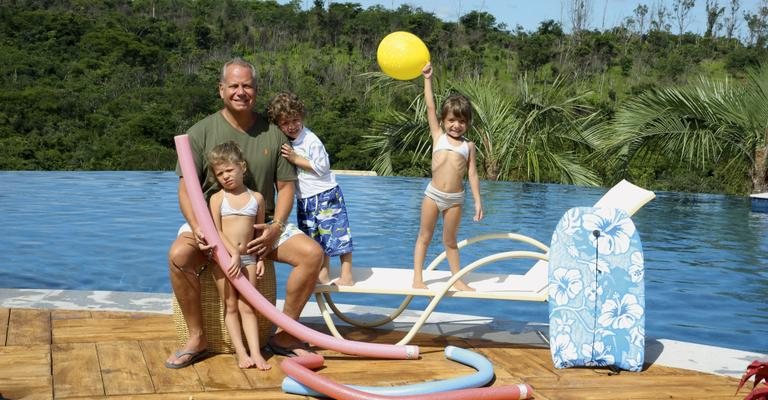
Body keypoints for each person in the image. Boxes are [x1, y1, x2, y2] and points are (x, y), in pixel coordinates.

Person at [165, 58, 324, 369]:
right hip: (212, 224)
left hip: (263, 225)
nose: (241, 91)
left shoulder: (273, 133)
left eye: (247, 85)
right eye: (234, 85)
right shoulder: (200, 132)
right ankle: (197, 338)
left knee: (312, 255)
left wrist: (276, 227)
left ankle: (285, 335)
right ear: (221, 89)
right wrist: (199, 227)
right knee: (178, 256)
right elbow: (186, 189)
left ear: (256, 90)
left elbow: (286, 186)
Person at [268, 91, 355, 286]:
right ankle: (322, 274)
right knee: (315, 238)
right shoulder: (288, 141)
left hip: (325, 195)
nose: (291, 126)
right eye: (285, 123)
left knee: (337, 234)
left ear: (302, 117)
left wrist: (296, 159)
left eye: (295, 120)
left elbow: (323, 167)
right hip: (305, 199)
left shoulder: (310, 140)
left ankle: (346, 274)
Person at [412, 62, 484, 292]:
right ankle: (417, 278)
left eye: (462, 121)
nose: (456, 125)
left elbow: (472, 174)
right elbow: (430, 107)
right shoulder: (438, 136)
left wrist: (478, 201)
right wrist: (427, 79)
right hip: (433, 195)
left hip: (455, 199)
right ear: (443, 121)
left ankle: (457, 279)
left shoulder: (469, 146)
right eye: (452, 120)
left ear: (468, 124)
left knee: (450, 242)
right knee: (424, 236)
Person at [207, 141, 270, 369]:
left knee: (248, 306)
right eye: (220, 173)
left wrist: (260, 259)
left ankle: (256, 352)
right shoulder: (217, 199)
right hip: (224, 259)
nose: (225, 176)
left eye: (229, 170)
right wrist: (232, 252)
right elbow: (215, 231)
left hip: (248, 259)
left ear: (242, 167)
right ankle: (241, 353)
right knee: (231, 306)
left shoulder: (257, 199)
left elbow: (259, 232)